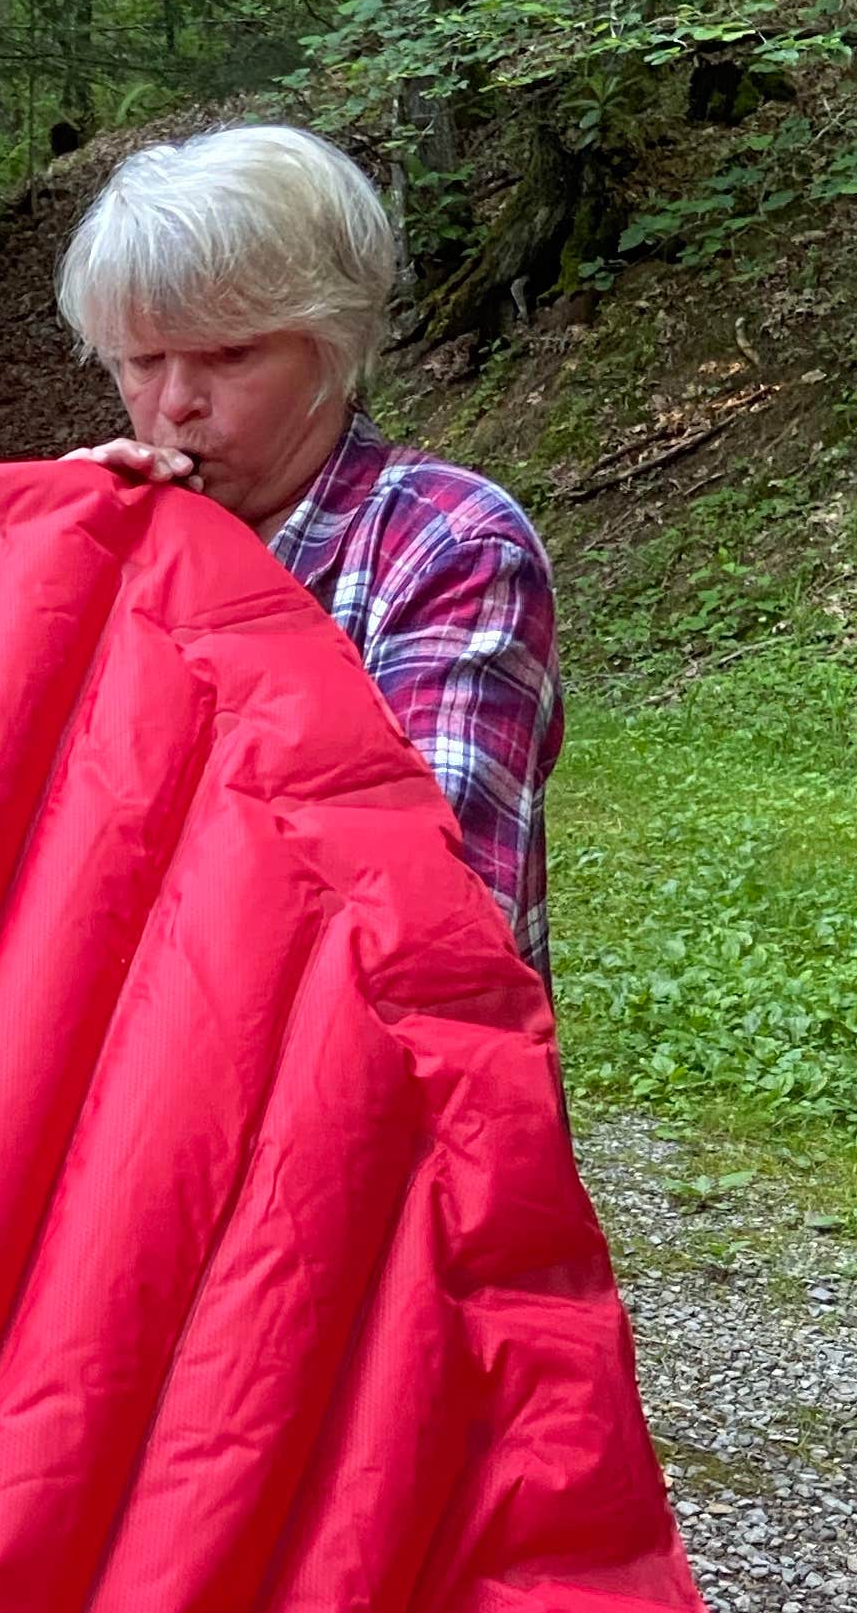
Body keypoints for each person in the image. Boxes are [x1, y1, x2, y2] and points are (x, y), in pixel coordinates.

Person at [57, 122, 563, 975]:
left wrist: (201, 609)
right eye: (141, 359)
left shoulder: (450, 546)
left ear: (329, 345)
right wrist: (43, 588)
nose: (176, 403)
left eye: (229, 352)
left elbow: (435, 922)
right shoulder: (101, 544)